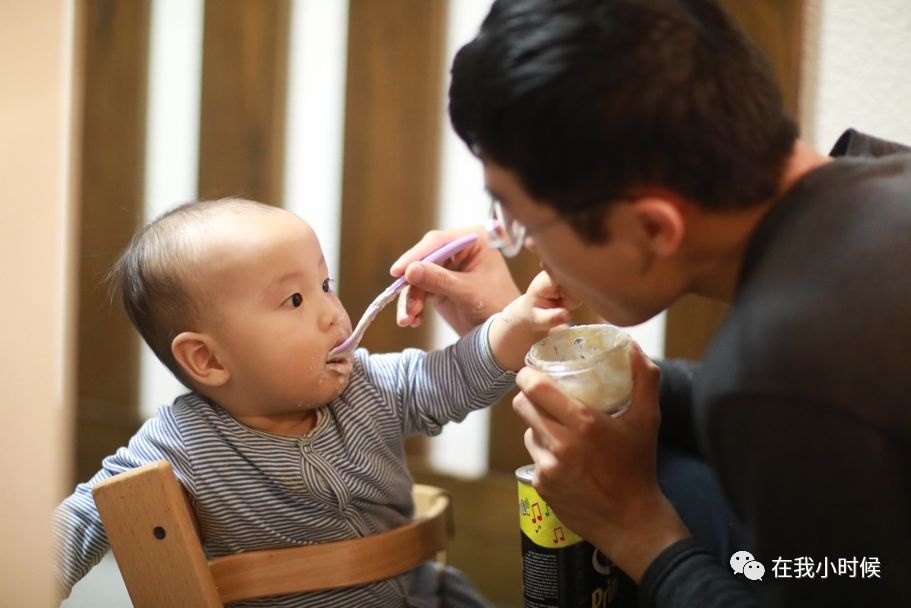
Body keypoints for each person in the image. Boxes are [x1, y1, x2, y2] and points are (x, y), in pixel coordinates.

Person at [390, 0, 911, 606]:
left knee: (660, 483)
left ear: (655, 227)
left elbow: (844, 555)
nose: (524, 244)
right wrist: (539, 347)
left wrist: (634, 528)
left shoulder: (781, 367)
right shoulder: (879, 172)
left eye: (524, 221)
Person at [54, 198, 575, 607]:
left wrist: (517, 322)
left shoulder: (369, 386)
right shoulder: (180, 444)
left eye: (325, 284)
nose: (332, 312)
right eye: (295, 300)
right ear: (207, 360)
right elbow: (84, 519)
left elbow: (457, 374)